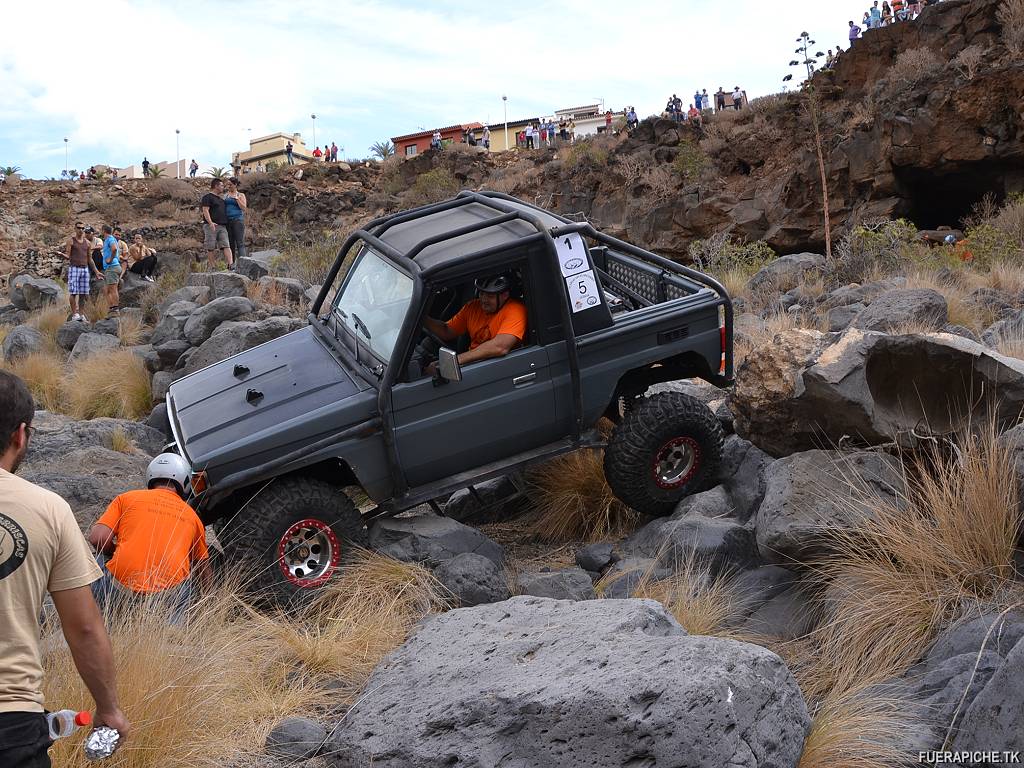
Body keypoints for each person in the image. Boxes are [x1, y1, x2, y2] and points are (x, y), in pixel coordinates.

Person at [0, 371, 130, 767]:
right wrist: (108, 710)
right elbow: (84, 626)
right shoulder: (48, 509)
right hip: (11, 722)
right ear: (21, 434)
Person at [87, 453, 212, 623]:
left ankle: (94, 620)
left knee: (98, 560)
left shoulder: (126, 498)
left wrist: (114, 552)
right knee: (188, 579)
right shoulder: (193, 517)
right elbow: (203, 569)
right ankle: (172, 631)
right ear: (184, 481)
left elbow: (97, 538)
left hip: (117, 589)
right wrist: (209, 604)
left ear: (151, 478)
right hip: (167, 597)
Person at [421, 275, 527, 375]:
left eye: (490, 296)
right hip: (473, 363)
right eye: (481, 293)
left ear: (505, 295)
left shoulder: (515, 310)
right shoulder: (473, 307)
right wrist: (422, 318)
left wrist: (452, 361)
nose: (483, 300)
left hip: (497, 367)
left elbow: (500, 347)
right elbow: (446, 331)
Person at [63, 222, 101, 321]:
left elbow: (90, 259)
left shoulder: (87, 243)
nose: (81, 230)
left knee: (83, 293)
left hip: (84, 269)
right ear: (75, 229)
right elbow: (68, 255)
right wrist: (61, 254)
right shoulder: (71, 241)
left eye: (82, 228)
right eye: (79, 228)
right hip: (74, 268)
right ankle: (74, 314)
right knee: (73, 292)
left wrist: (96, 271)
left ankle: (81, 314)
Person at [201, 178, 232, 269]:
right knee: (211, 247)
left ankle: (231, 265)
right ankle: (212, 267)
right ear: (216, 186)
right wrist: (210, 223)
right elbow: (205, 210)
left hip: (222, 226)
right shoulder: (207, 197)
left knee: (226, 245)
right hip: (211, 226)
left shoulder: (221, 200)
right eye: (222, 185)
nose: (223, 187)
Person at [223, 177, 247, 264]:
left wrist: (237, 199)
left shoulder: (241, 195)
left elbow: (244, 208)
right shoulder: (225, 195)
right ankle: (231, 265)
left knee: (240, 242)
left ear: (235, 185)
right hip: (227, 221)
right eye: (228, 184)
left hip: (238, 220)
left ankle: (244, 264)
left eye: (230, 184)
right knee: (230, 243)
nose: (228, 186)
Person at [100, 224, 122, 315]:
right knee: (107, 290)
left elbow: (114, 249)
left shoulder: (110, 239)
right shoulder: (108, 240)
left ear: (103, 231)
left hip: (112, 267)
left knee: (113, 289)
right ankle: (112, 308)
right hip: (111, 268)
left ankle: (115, 309)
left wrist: (110, 259)